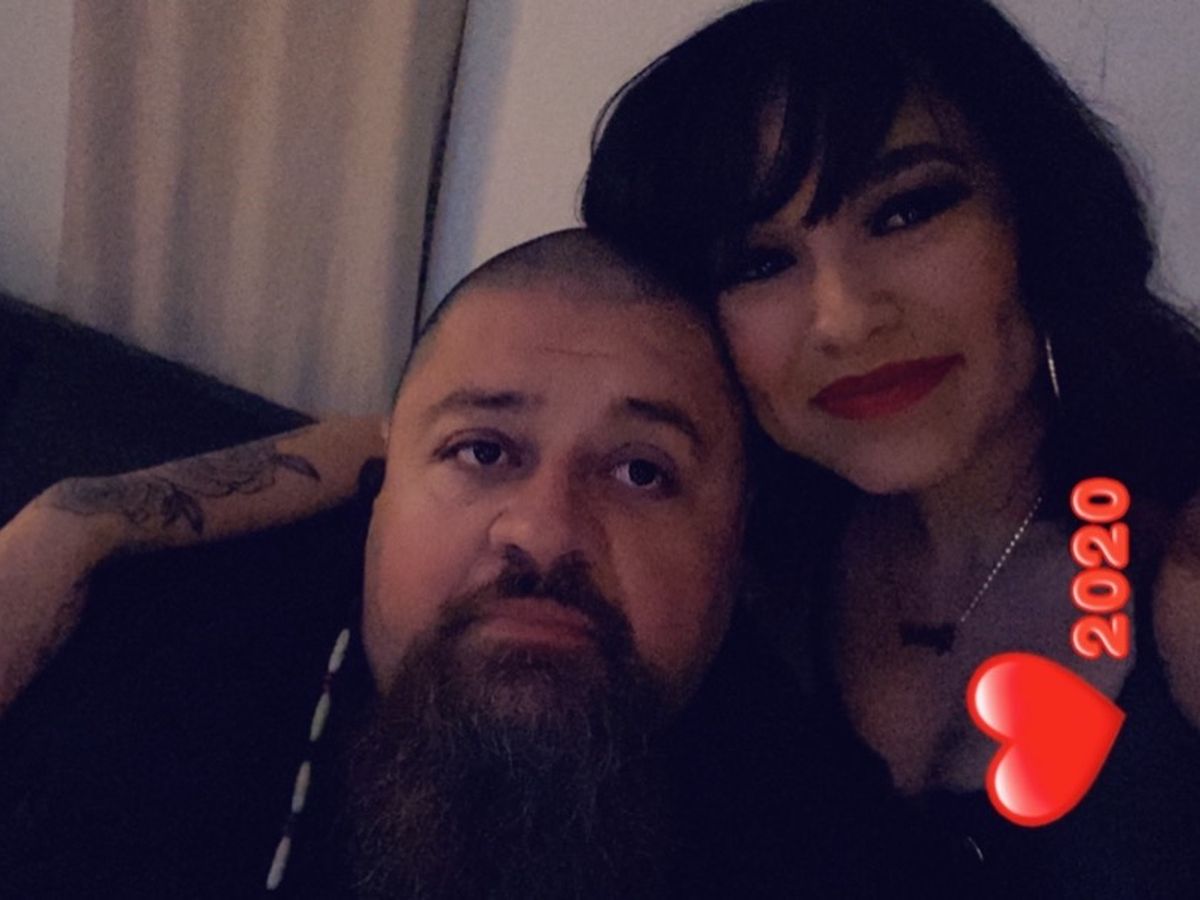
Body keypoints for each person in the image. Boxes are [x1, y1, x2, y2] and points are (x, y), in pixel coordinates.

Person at [1, 229, 932, 898]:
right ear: (377, 492)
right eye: (483, 449)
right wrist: (70, 524)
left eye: (642, 471)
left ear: (736, 540)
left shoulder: (820, 842)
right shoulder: (134, 679)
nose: (547, 530)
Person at [580, 0, 1200, 896]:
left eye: (907, 212)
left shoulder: (1181, 557)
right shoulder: (732, 579)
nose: (844, 319)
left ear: (1035, 217)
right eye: (758, 263)